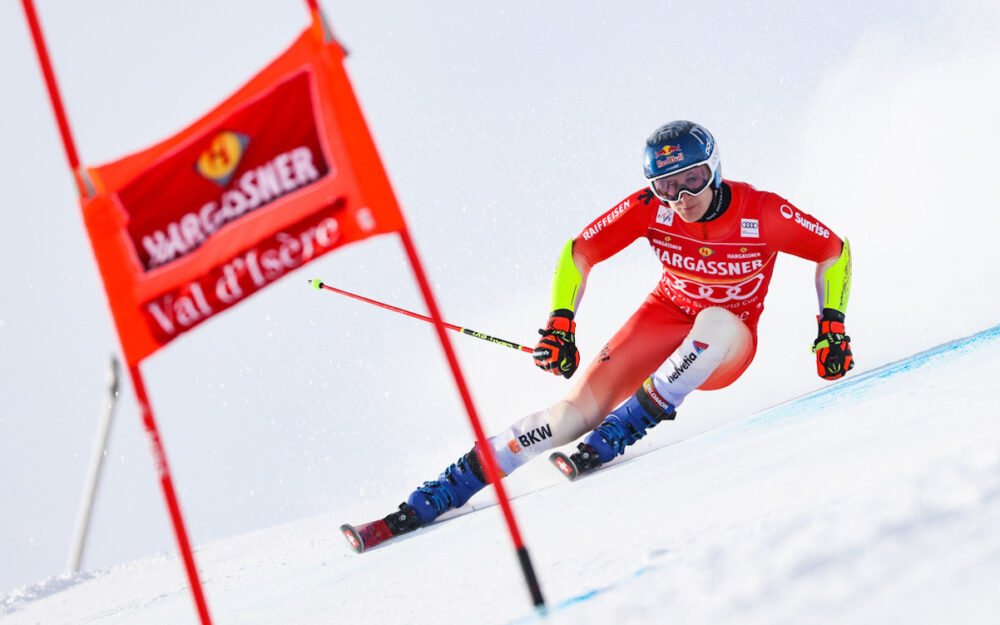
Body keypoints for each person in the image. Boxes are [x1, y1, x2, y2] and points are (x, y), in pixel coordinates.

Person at [380, 120, 854, 535]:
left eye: (693, 180)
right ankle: (444, 491)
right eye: (667, 187)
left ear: (715, 169)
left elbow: (833, 250)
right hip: (663, 320)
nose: (683, 198)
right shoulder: (649, 209)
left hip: (727, 342)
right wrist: (560, 323)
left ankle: (631, 422)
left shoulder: (760, 211)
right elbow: (578, 252)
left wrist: (831, 326)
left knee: (713, 320)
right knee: (568, 418)